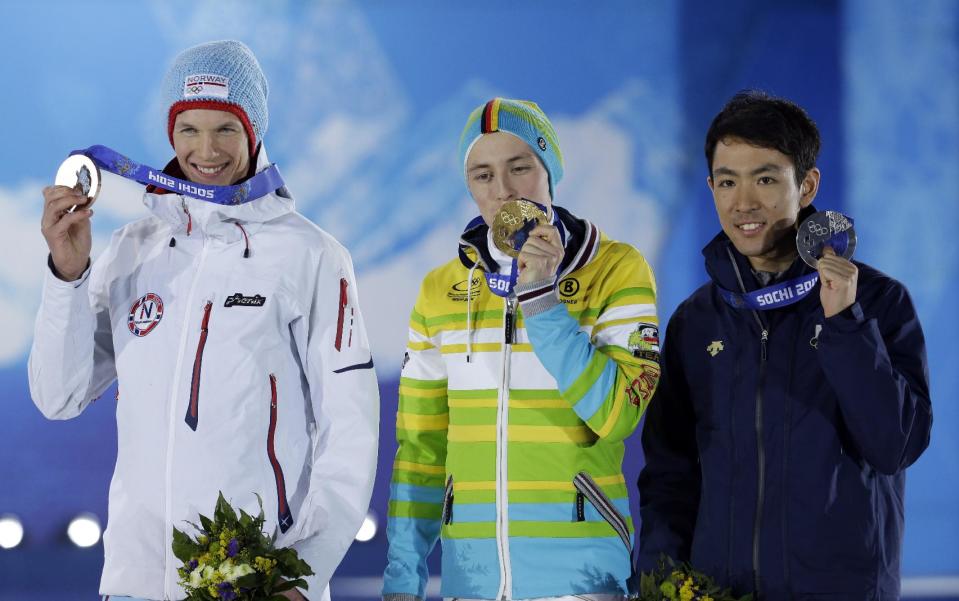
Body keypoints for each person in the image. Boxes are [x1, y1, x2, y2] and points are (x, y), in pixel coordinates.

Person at [29, 40, 379, 601]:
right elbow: (58, 396)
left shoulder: (310, 256)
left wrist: (302, 570)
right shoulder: (130, 249)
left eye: (226, 129)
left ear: (254, 133)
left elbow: (352, 431)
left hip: (256, 580)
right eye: (189, 128)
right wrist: (67, 275)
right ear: (171, 134)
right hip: (135, 580)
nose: (206, 149)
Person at [637, 90, 932, 599]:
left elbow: (896, 445)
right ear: (711, 187)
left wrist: (845, 323)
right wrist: (659, 581)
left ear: (808, 185)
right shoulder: (697, 319)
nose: (744, 202)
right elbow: (669, 474)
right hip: (719, 591)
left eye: (767, 178)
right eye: (727, 181)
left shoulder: (878, 303)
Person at [382, 98, 661, 601]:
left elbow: (617, 415)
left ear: (549, 169)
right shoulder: (440, 290)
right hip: (472, 581)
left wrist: (543, 301)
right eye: (482, 175)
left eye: (520, 168)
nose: (504, 191)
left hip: (582, 580)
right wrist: (403, 579)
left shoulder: (617, 269)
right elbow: (420, 449)